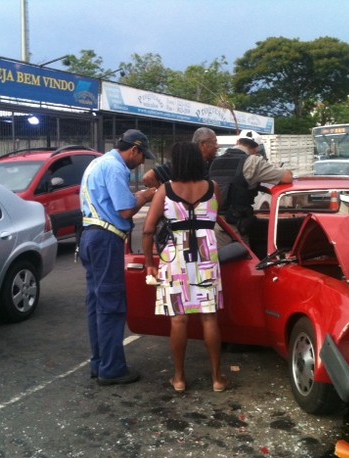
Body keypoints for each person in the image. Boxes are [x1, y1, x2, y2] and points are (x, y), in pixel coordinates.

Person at [142, 141, 228, 393]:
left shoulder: (165, 190)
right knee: (209, 317)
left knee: (179, 319)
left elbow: (147, 230)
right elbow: (213, 215)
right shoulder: (213, 188)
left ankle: (179, 378)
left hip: (175, 258)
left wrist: (149, 263)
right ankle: (217, 379)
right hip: (206, 255)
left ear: (176, 163)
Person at [79, 129, 157, 386]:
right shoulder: (115, 167)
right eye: (142, 155)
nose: (142, 162)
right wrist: (147, 195)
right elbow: (124, 210)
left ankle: (99, 362)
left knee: (97, 303)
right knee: (111, 305)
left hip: (91, 236)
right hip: (105, 239)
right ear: (133, 150)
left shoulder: (97, 162)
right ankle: (111, 369)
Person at [209, 129, 294, 246]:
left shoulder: (216, 162)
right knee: (245, 262)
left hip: (213, 226)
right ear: (256, 149)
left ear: (238, 141)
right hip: (234, 229)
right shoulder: (253, 161)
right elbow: (287, 178)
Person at [142, 127, 219, 188]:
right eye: (214, 142)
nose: (217, 146)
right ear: (203, 145)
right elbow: (148, 177)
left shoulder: (215, 163)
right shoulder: (182, 162)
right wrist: (164, 195)